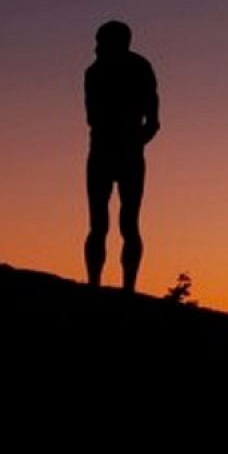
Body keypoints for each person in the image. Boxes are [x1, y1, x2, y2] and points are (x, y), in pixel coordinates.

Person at [83, 20, 160, 290]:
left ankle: (128, 287)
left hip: (124, 152)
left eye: (100, 42)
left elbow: (153, 121)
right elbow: (92, 117)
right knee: (99, 224)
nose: (95, 48)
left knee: (127, 223)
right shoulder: (93, 73)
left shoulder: (139, 68)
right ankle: (95, 283)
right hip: (104, 150)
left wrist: (134, 143)